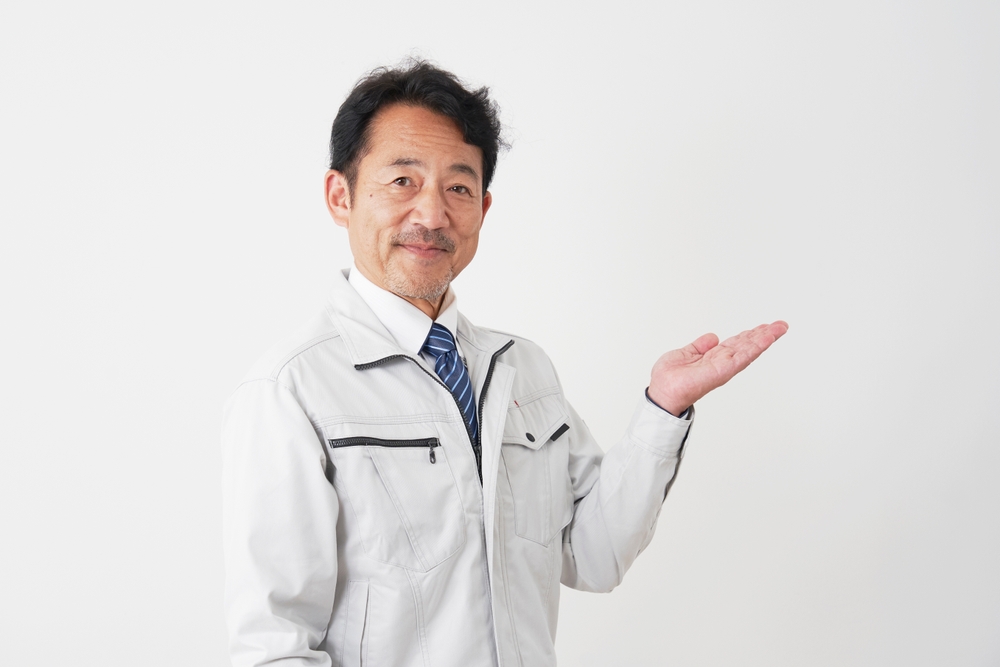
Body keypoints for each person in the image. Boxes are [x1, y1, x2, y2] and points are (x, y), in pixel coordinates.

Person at [221, 60, 787, 667]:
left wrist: (663, 408)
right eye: (403, 181)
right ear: (342, 196)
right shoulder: (293, 390)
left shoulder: (523, 369)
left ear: (483, 209)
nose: (432, 215)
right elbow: (274, 645)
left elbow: (594, 556)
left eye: (458, 188)